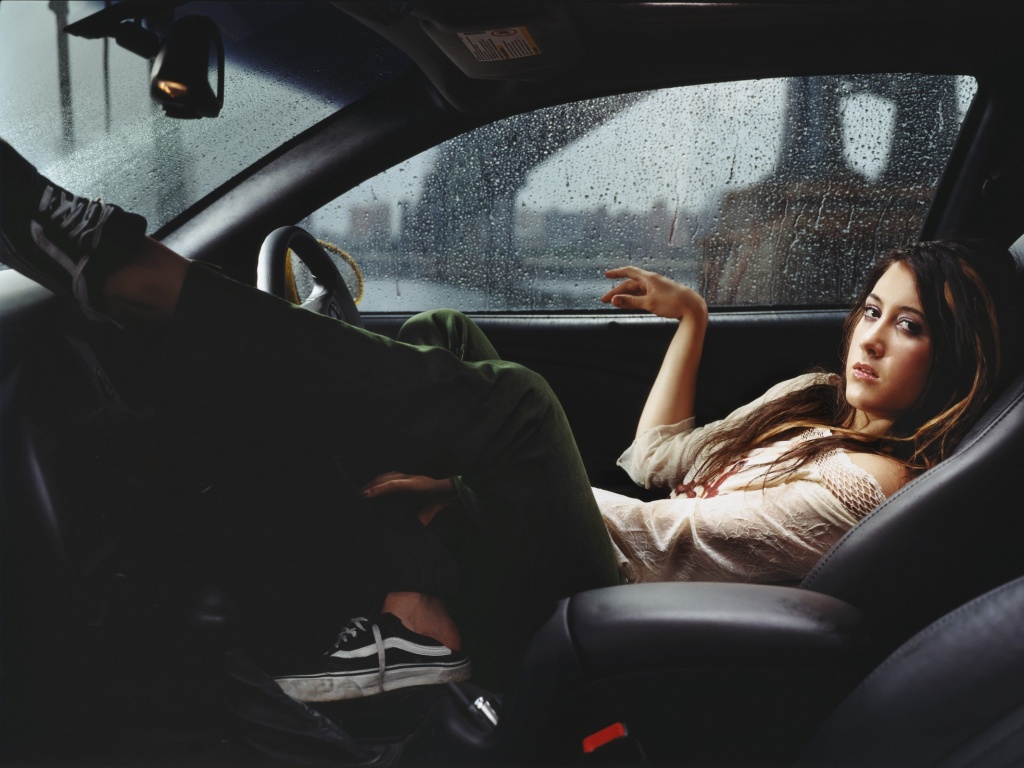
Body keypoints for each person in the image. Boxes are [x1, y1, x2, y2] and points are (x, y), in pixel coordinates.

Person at [0, 140, 1019, 702]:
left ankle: (148, 287)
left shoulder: (866, 483)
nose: (871, 338)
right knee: (445, 332)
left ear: (959, 361)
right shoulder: (812, 407)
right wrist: (692, 322)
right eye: (871, 310)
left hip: (623, 598)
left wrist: (472, 483)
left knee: (518, 407)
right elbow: (654, 462)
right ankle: (402, 603)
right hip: (618, 549)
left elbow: (666, 539)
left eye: (910, 327)